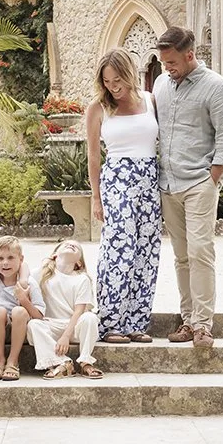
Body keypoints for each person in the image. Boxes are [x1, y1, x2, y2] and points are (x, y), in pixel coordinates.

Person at [152, 26, 223, 348]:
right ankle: (187, 320)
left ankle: (203, 325)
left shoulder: (217, 88)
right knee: (181, 256)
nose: (167, 68)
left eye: (172, 62)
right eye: (163, 63)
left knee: (201, 252)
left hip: (199, 183)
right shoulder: (161, 84)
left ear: (190, 55)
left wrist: (212, 178)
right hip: (168, 185)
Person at [86, 48, 162, 344]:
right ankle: (110, 322)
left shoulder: (151, 101)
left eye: (118, 80)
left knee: (147, 249)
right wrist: (96, 197)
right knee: (118, 249)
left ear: (130, 74)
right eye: (107, 82)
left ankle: (136, 322)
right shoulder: (98, 108)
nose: (113, 87)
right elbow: (93, 156)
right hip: (117, 180)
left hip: (149, 180)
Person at [26, 239, 103, 379]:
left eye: (76, 246)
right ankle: (62, 362)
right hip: (51, 326)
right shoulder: (40, 274)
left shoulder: (82, 279)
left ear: (79, 262)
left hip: (74, 328)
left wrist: (66, 336)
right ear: (55, 254)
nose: (71, 244)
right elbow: (21, 270)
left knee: (90, 317)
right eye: (66, 244)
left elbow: (79, 311)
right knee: (33, 324)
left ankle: (85, 362)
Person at [0, 235, 45, 380]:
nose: (5, 263)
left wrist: (23, 299)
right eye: (0, 258)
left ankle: (13, 361)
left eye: (11, 258)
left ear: (21, 259)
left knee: (18, 311)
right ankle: (0, 361)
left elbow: (39, 316)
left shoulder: (29, 283)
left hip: (22, 331)